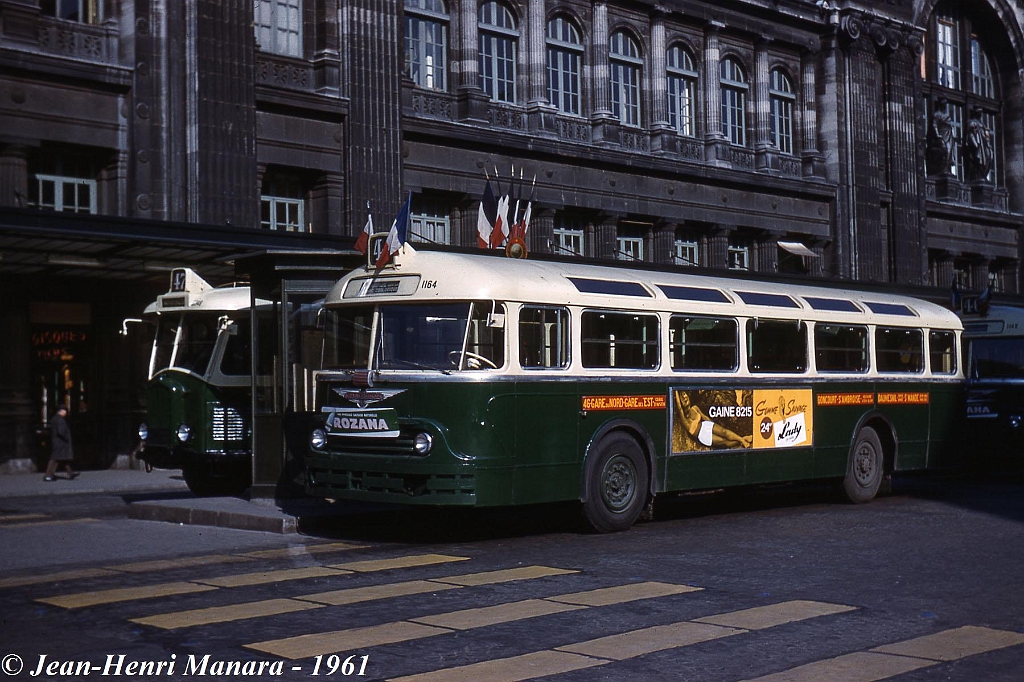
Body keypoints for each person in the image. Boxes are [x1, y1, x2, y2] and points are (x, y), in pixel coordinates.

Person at [674, 391, 752, 449]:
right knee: (724, 441)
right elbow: (679, 408)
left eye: (686, 396)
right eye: (683, 399)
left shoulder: (694, 408)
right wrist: (675, 391)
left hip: (706, 425)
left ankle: (742, 440)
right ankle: (744, 439)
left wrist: (712, 423)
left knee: (724, 431)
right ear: (681, 402)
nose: (685, 398)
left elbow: (704, 417)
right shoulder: (685, 420)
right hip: (703, 435)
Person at [44, 405, 77, 481]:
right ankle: (48, 475)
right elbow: (61, 431)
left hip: (56, 442)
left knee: (63, 458)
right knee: (55, 459)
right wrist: (66, 438)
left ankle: (70, 473)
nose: (66, 413)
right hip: (60, 443)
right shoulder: (60, 420)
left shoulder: (54, 419)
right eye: (65, 411)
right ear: (61, 411)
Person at [965, 106, 994, 183]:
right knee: (978, 159)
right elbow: (970, 135)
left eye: (981, 112)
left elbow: (986, 135)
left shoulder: (981, 123)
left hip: (984, 144)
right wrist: (975, 144)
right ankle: (978, 176)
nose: (981, 114)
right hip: (978, 144)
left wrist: (988, 143)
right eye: (979, 112)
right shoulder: (971, 122)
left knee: (989, 156)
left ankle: (983, 175)